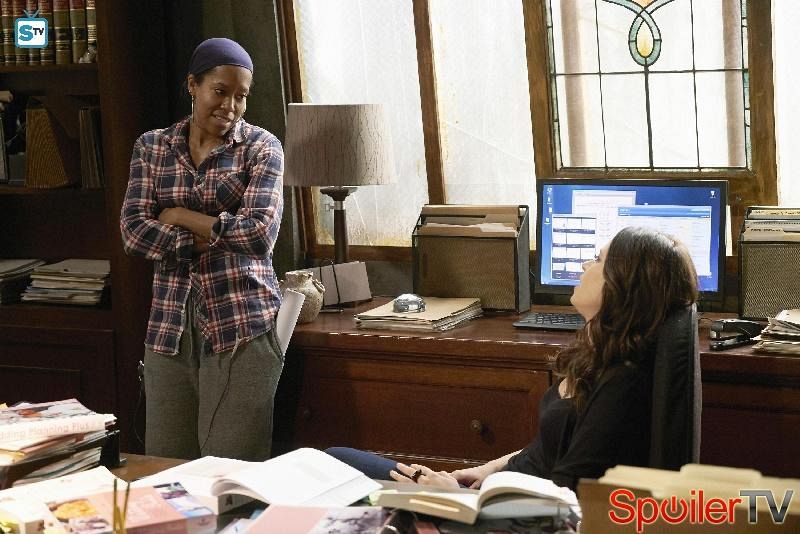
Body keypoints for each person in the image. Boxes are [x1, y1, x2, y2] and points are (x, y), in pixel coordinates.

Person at [327, 226, 698, 491]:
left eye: (598, 260)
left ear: (624, 285)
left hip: (506, 513)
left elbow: (565, 501)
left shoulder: (622, 387)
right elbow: (552, 444)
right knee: (334, 458)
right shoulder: (601, 354)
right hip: (499, 490)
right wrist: (489, 469)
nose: (586, 266)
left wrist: (456, 498)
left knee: (335, 472)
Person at [120, 38, 284, 461]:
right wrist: (203, 238)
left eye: (241, 96)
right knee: (164, 473)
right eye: (220, 91)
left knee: (229, 477)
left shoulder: (262, 147)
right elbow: (133, 232)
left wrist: (179, 215)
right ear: (192, 85)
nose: (231, 106)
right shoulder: (152, 147)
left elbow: (259, 236)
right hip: (168, 330)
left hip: (242, 327)